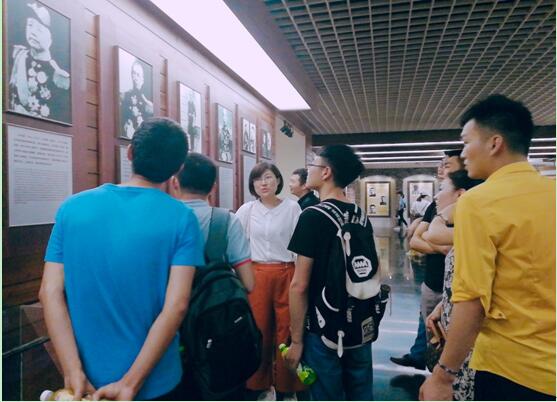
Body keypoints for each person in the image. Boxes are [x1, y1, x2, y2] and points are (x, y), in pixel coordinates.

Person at [39, 118, 204, 400]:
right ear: (178, 169)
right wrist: (130, 383)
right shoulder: (183, 219)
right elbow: (176, 306)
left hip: (85, 381)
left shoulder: (72, 208)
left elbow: (49, 292)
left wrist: (72, 370)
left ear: (130, 153)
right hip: (155, 381)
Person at [420, 95, 555, 401]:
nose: (463, 153)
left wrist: (442, 376)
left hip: (509, 367)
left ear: (495, 143)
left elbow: (473, 301)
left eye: (466, 142)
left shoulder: (479, 202)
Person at [286, 145, 378, 400]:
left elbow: (299, 285)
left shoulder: (312, 216)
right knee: (361, 392)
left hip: (323, 325)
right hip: (360, 320)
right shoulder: (360, 215)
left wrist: (296, 340)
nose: (308, 171)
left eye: (312, 166)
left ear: (326, 172)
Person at [168, 152, 254, 400]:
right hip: (217, 330)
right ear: (213, 186)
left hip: (169, 330)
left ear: (175, 182)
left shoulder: (163, 219)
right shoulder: (226, 221)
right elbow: (249, 283)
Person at [235, 162, 303, 401]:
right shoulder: (247, 210)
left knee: (287, 329)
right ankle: (259, 383)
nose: (263, 183)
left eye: (268, 177)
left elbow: (300, 247)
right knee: (259, 329)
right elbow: (238, 246)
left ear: (278, 180)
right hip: (257, 274)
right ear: (252, 184)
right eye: (257, 179)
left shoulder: (292, 208)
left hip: (287, 272)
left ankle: (287, 384)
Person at [391, 151, 464, 371]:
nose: (441, 169)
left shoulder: (473, 204)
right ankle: (422, 357)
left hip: (457, 286)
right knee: (429, 323)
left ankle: (441, 371)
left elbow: (430, 234)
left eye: (447, 165)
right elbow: (417, 239)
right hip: (433, 280)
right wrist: (443, 248)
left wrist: (434, 237)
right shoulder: (437, 205)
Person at [422, 170, 483, 400]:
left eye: (442, 189)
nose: (436, 196)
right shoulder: (465, 228)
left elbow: (432, 234)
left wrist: (444, 374)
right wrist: (442, 306)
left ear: (461, 195)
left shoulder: (475, 229)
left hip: (468, 347)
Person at [9, 2, 70, 122]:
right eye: (30, 25)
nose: (33, 32)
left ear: (52, 37)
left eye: (40, 29)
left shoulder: (59, 76)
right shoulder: (17, 55)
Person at [121, 60, 154, 139]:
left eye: (138, 74)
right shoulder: (126, 96)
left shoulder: (148, 99)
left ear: (143, 77)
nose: (135, 77)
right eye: (133, 73)